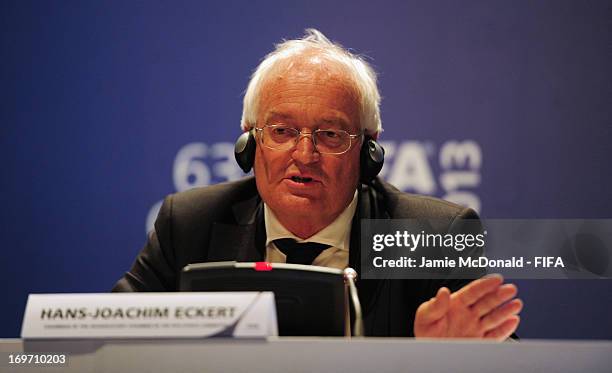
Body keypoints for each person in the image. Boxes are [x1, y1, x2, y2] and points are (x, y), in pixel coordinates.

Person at [113, 29, 522, 339]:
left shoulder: (432, 236)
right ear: (249, 143)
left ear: (368, 153)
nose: (304, 156)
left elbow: (509, 357)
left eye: (331, 135)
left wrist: (438, 361)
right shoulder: (188, 224)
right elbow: (109, 343)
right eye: (282, 131)